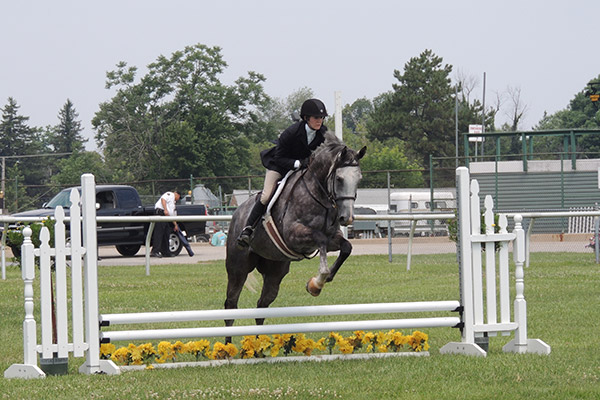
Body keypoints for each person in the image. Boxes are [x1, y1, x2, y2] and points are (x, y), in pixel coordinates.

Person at [237, 98, 328, 248]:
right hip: (279, 165)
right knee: (266, 196)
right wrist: (297, 163)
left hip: (304, 169)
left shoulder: (323, 133)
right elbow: (279, 157)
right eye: (316, 117)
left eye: (322, 118)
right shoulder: (291, 132)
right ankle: (248, 229)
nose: (320, 121)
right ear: (306, 118)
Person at [151, 190, 182, 258]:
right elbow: (163, 199)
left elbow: (171, 214)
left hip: (167, 217)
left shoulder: (173, 203)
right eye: (179, 198)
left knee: (166, 233)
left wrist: (175, 225)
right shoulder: (170, 195)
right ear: (177, 195)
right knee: (159, 233)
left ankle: (166, 252)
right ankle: (155, 251)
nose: (178, 199)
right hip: (160, 213)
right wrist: (165, 209)